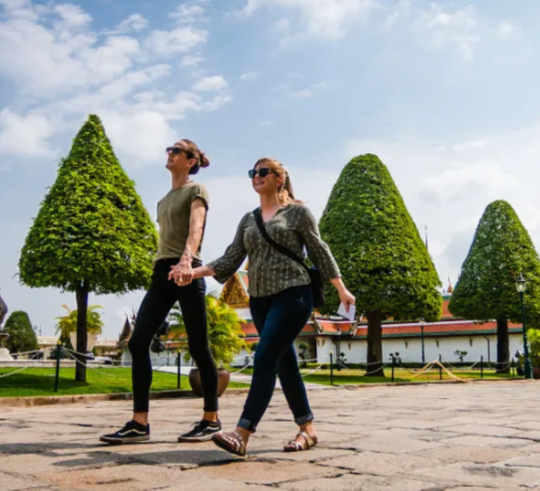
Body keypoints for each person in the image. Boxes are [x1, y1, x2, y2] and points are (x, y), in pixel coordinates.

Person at [177, 158, 356, 457]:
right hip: (259, 300)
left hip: (294, 294)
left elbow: (318, 249)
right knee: (284, 364)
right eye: (253, 173)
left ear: (279, 178)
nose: (256, 177)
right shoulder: (248, 219)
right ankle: (308, 429)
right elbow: (230, 258)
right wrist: (193, 271)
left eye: (263, 172)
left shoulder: (297, 213)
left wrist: (340, 288)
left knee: (264, 358)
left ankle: (242, 432)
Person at [100, 140, 221, 444]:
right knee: (138, 343)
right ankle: (139, 423)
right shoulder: (163, 200)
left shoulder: (197, 190)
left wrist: (186, 260)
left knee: (199, 347)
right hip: (162, 273)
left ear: (191, 161)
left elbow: (197, 227)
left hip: (187, 271)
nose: (170, 153)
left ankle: (211, 419)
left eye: (176, 150)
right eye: (169, 149)